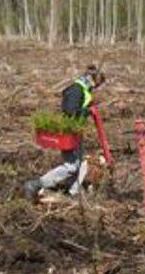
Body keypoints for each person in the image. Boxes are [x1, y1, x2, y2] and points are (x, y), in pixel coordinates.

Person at [26, 66, 105, 202]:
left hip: (75, 131)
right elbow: (70, 111)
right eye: (97, 84)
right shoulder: (76, 90)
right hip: (69, 133)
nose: (96, 87)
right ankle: (37, 184)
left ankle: (75, 193)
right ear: (92, 79)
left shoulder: (83, 89)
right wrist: (88, 111)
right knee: (72, 166)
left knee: (81, 164)